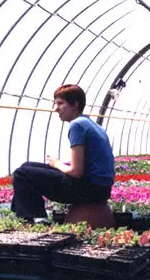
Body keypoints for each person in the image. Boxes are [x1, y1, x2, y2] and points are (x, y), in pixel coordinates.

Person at [10, 84, 115, 221]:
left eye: (60, 103)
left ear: (74, 104)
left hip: (90, 190)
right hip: (101, 188)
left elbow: (76, 172)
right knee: (26, 166)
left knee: (22, 174)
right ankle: (27, 215)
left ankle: (37, 221)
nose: (56, 109)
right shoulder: (90, 123)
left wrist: (56, 164)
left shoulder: (77, 125)